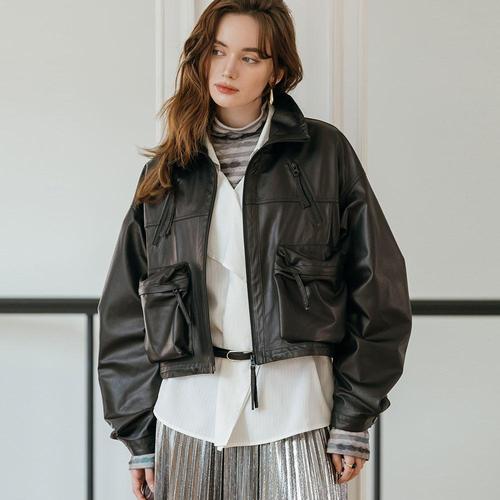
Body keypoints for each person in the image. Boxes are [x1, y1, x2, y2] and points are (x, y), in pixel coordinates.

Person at [97, 1, 412, 499]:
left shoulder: (324, 153)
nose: (228, 70)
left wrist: (354, 416)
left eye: (250, 57)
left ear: (277, 70)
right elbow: (125, 312)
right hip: (189, 415)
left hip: (299, 409)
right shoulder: (167, 172)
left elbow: (379, 290)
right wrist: (138, 435)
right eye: (218, 51)